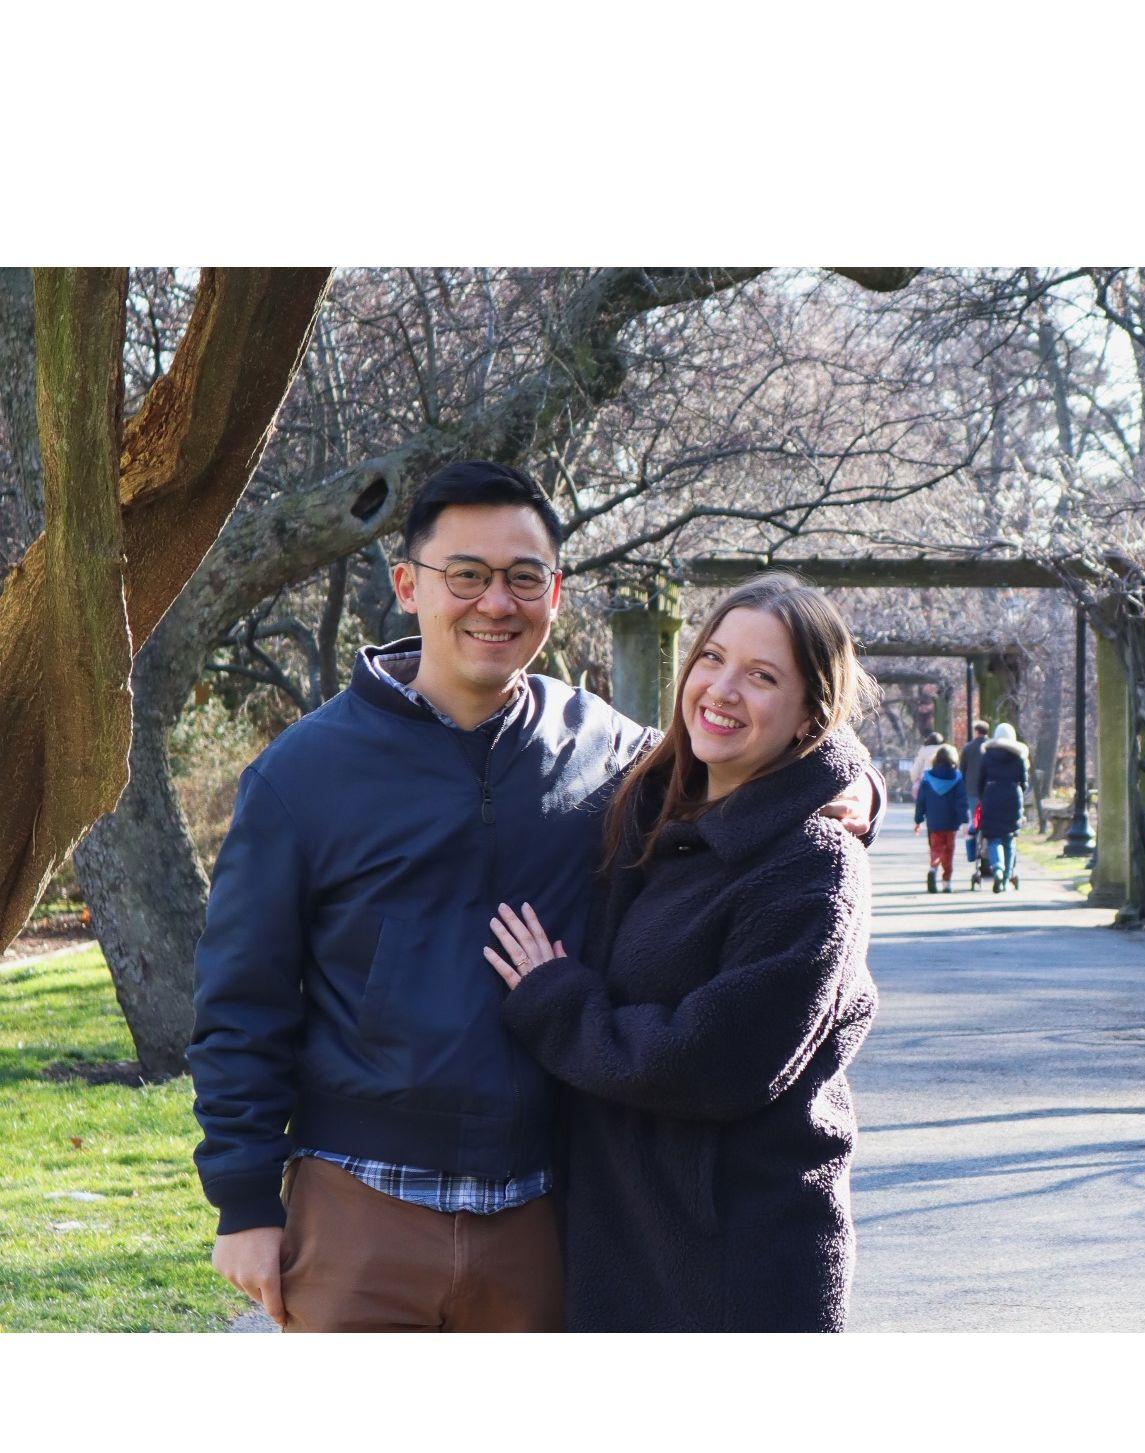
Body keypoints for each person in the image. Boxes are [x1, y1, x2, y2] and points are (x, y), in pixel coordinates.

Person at [190, 463, 879, 1334]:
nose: (494, 603)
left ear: (555, 594)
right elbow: (240, 1004)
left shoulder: (606, 753)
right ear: (408, 586)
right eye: (465, 575)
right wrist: (245, 1201)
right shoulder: (301, 775)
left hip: (547, 1215)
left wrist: (856, 784)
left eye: (523, 578)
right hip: (358, 1205)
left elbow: (762, 760)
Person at [484, 574, 878, 1332]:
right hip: (625, 1240)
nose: (722, 690)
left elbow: (714, 1061)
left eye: (763, 676)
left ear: (808, 720)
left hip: (737, 1263)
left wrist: (553, 999)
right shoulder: (650, 799)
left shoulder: (814, 865)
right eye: (712, 658)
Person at [978, 721, 1030, 894]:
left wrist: (982, 797)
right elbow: (1024, 781)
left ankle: (997, 869)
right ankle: (1006, 877)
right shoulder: (1019, 756)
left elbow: (980, 780)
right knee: (1009, 839)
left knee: (993, 838)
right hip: (1012, 796)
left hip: (991, 795)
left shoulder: (988, 755)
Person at [913, 743, 968, 893]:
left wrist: (918, 820)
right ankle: (946, 882)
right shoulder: (957, 778)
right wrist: (964, 821)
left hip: (933, 821)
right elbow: (961, 802)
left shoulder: (927, 777)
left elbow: (921, 801)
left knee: (936, 848)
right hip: (951, 822)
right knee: (948, 851)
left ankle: (933, 868)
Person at [958, 719, 990, 875]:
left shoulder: (968, 748)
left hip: (972, 791)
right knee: (988, 822)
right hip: (989, 792)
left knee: (976, 822)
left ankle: (976, 851)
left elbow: (962, 770)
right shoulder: (991, 747)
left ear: (976, 731)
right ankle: (987, 852)